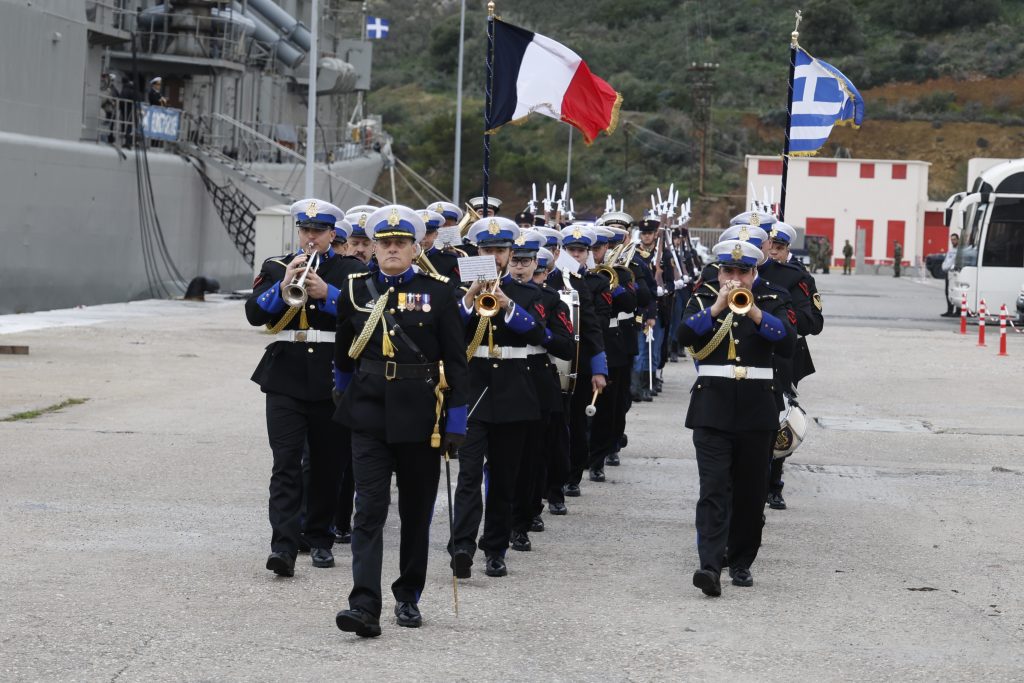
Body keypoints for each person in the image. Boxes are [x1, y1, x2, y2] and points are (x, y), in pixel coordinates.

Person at [333, 205, 469, 638]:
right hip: (370, 411)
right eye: (385, 243)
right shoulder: (355, 288)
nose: (392, 249)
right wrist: (342, 397)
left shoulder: (441, 291)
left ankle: (408, 595)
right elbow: (343, 355)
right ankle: (363, 604)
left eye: (401, 243)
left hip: (422, 417)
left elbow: (457, 361)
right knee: (368, 510)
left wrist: (457, 422)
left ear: (414, 248)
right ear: (373, 247)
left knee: (416, 513)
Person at [245, 198, 358, 578]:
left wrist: (329, 294)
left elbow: (367, 315)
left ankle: (321, 538)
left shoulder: (350, 270)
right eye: (305, 230)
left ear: (332, 234)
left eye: (319, 231)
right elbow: (254, 314)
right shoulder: (276, 266)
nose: (311, 237)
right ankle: (283, 544)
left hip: (332, 372)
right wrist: (282, 285)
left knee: (328, 464)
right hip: (285, 373)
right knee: (286, 462)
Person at [678, 239, 796, 596]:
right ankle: (709, 566)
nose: (735, 278)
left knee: (750, 492)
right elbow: (683, 334)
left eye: (743, 271)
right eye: (729, 271)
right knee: (713, 490)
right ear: (719, 270)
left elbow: (788, 341)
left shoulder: (773, 298)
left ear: (754, 272)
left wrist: (755, 312)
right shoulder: (702, 298)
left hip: (757, 408)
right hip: (712, 406)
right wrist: (717, 307)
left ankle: (741, 561)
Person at [449, 217, 548, 579]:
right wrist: (470, 296)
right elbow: (448, 331)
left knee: (505, 479)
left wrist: (506, 305)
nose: (494, 256)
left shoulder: (528, 293)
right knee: (469, 475)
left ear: (509, 255)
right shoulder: (457, 289)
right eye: (487, 250)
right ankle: (461, 546)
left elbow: (540, 333)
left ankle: (496, 548)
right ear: (477, 252)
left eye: (500, 251)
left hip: (513, 392)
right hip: (473, 392)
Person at [761, 221, 824, 510]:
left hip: (781, 355)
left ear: (787, 249)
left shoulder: (796, 278)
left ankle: (774, 484)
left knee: (779, 418)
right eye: (769, 246)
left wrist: (783, 318)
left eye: (779, 247)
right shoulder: (748, 269)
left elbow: (814, 322)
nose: (773, 252)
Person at [941, 234, 960, 316]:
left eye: (954, 239)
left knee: (956, 291)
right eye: (952, 239)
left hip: (955, 273)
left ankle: (958, 311)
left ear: (958, 240)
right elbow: (947, 260)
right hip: (948, 272)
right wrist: (944, 266)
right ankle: (950, 310)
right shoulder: (951, 250)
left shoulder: (960, 250)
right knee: (948, 291)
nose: (953, 241)